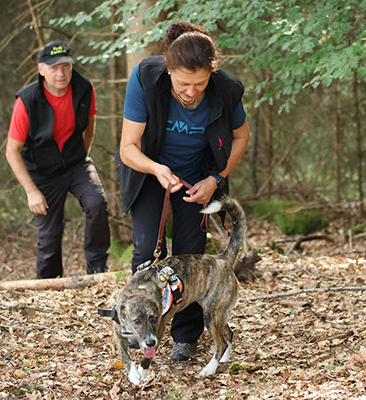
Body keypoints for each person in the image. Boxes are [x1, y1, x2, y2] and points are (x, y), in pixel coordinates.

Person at [116, 22, 250, 361]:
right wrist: (157, 169)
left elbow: (241, 137)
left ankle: (185, 337)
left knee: (191, 256)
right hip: (150, 171)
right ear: (168, 69)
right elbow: (128, 147)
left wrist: (216, 177)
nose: (190, 92)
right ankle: (140, 328)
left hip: (198, 176)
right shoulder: (146, 79)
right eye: (182, 84)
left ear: (211, 75)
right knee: (148, 249)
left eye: (200, 84)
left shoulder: (228, 89)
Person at [6, 40, 110, 279]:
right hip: (42, 172)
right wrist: (31, 191)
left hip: (76, 164)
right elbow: (12, 151)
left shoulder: (84, 88)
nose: (61, 73)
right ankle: (49, 285)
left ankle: (97, 268)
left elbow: (90, 124)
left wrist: (83, 154)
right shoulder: (27, 101)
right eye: (53, 68)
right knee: (49, 236)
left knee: (96, 203)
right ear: (42, 69)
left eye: (65, 66)